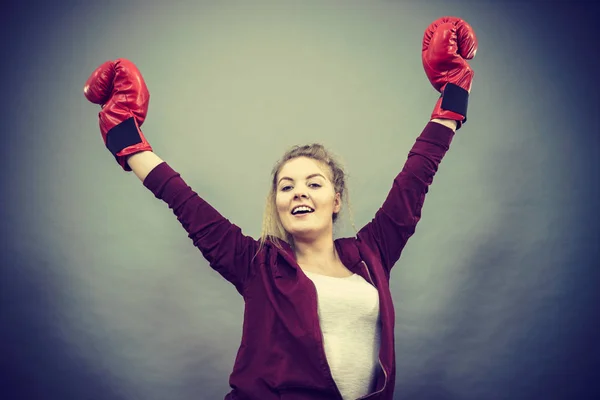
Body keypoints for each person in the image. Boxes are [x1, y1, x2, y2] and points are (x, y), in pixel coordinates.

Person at [83, 16, 477, 400]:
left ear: (336, 199)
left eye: (314, 184)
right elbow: (184, 201)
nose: (298, 193)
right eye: (286, 186)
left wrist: (452, 95)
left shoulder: (372, 254)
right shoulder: (256, 265)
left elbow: (415, 179)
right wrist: (125, 136)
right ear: (277, 202)